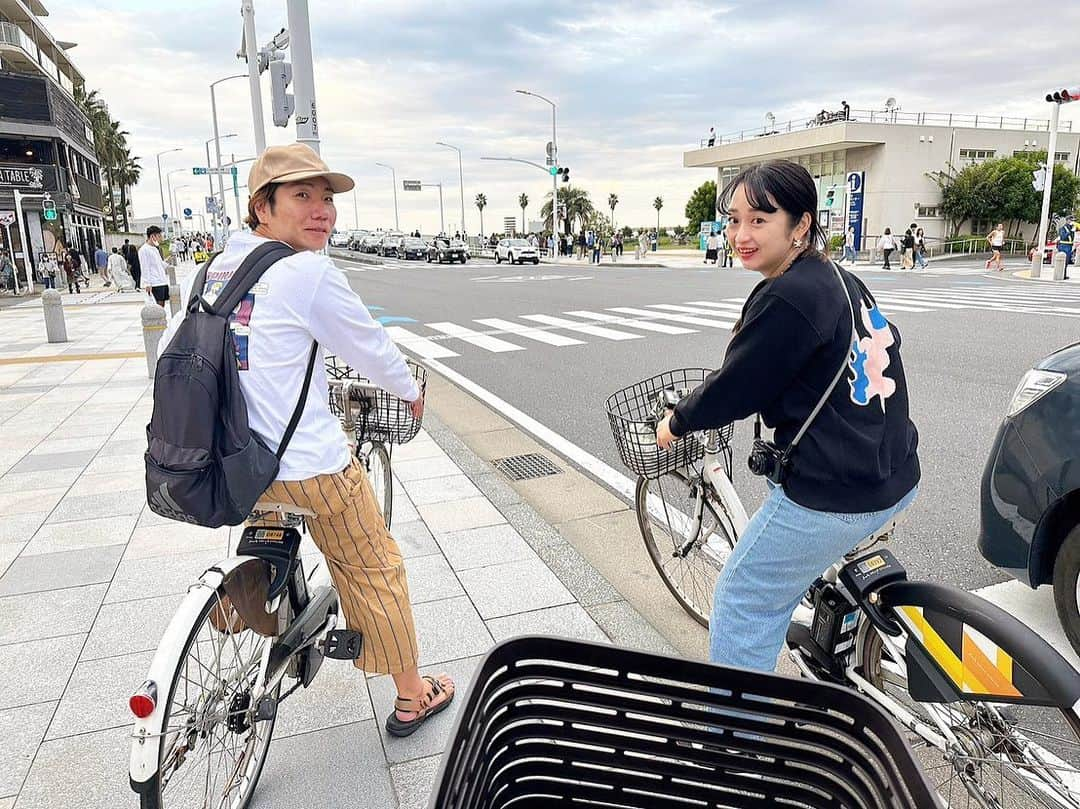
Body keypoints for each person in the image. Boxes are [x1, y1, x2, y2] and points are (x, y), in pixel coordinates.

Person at [161, 142, 454, 735]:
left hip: (237, 466)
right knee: (374, 566)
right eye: (302, 196)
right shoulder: (307, 272)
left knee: (266, 527)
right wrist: (409, 392)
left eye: (326, 199)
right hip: (309, 469)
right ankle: (411, 695)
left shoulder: (212, 270)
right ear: (261, 207)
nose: (322, 210)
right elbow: (369, 345)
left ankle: (239, 610)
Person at [655, 160, 919, 672]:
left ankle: (736, 740)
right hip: (894, 467)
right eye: (733, 220)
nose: (740, 234)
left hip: (838, 489)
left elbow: (737, 386)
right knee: (794, 572)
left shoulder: (789, 295)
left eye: (759, 220)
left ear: (800, 226)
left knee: (743, 595)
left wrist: (678, 420)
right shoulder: (838, 279)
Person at [139, 226, 170, 307]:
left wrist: (169, 261)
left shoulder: (155, 249)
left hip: (162, 280)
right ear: (152, 236)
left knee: (162, 305)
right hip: (154, 282)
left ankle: (161, 319)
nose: (161, 239)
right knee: (157, 307)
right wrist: (147, 283)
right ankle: (158, 320)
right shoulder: (144, 250)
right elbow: (144, 267)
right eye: (159, 236)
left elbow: (160, 264)